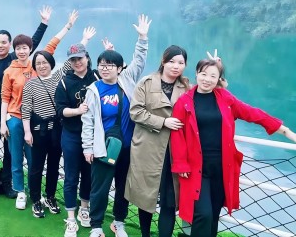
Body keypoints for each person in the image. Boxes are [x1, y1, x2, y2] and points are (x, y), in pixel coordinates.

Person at [170, 58, 296, 237]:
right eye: (203, 74)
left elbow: (252, 113)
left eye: (213, 76)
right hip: (196, 168)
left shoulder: (225, 98)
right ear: (196, 74)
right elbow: (177, 135)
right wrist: (181, 163)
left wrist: (285, 131)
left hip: (222, 167)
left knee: (214, 214)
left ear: (219, 79)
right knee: (203, 214)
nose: (207, 79)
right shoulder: (184, 102)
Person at [1, 10, 79, 211]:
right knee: (20, 158)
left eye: (25, 48)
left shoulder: (40, 67)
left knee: (39, 161)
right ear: (14, 50)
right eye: (18, 48)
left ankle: (41, 194)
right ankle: (23, 192)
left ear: (30, 49)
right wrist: (4, 123)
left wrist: (69, 28)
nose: (22, 51)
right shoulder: (11, 72)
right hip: (19, 120)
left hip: (44, 124)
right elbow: (7, 99)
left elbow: (56, 48)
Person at [81, 14, 151, 237]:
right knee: (99, 189)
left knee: (123, 188)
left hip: (128, 147)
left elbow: (139, 60)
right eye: (102, 65)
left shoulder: (127, 80)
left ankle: (118, 222)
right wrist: (88, 147)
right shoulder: (94, 90)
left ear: (120, 68)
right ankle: (96, 226)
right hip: (103, 148)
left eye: (110, 65)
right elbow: (88, 121)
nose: (105, 69)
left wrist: (142, 38)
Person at [0, 6, 51, 199]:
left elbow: (31, 43)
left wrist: (43, 23)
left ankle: (8, 185)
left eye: (4, 42)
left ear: (10, 45)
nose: (1, 45)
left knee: (11, 153)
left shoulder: (14, 59)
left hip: (13, 115)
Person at [22, 24, 96, 219]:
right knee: (36, 167)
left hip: (56, 129)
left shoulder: (58, 78)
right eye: (38, 63)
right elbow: (25, 110)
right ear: (34, 66)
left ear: (51, 63)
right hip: (38, 130)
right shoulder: (30, 85)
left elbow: (75, 60)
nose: (42, 66)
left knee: (54, 165)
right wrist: (27, 132)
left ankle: (50, 196)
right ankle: (36, 199)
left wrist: (85, 40)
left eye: (45, 62)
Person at [126, 45, 189, 237]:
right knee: (145, 197)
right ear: (163, 61)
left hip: (174, 151)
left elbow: (206, 97)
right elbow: (135, 112)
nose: (176, 66)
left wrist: (216, 72)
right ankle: (145, 234)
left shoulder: (187, 87)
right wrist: (162, 122)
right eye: (172, 61)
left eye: (181, 63)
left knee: (170, 199)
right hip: (147, 149)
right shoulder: (146, 83)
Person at [55, 39, 111, 236]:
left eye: (80, 58)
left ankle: (84, 208)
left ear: (87, 58)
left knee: (89, 174)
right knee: (71, 176)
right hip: (71, 134)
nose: (77, 62)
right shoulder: (64, 82)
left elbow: (117, 78)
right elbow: (60, 110)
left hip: (94, 135)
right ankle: (71, 218)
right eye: (73, 60)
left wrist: (109, 55)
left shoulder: (97, 76)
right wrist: (77, 111)